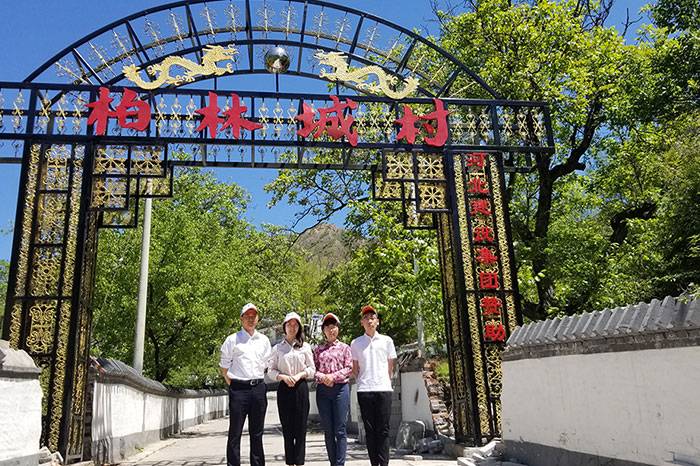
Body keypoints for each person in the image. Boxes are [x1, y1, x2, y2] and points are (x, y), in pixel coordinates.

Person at [220, 303, 272, 466]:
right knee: (235, 432)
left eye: (253, 316)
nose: (250, 319)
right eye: (247, 316)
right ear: (241, 319)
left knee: (257, 433)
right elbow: (224, 366)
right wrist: (233, 385)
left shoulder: (264, 340)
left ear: (257, 319)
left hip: (258, 388)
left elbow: (267, 364)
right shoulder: (232, 340)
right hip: (239, 389)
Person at [350, 305, 397, 466]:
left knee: (383, 429)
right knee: (370, 431)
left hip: (383, 389)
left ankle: (384, 463)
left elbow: (390, 366)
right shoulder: (356, 343)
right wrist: (364, 381)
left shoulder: (387, 341)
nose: (369, 321)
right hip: (365, 390)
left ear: (377, 322)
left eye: (372, 318)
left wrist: (383, 380)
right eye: (366, 318)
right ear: (361, 322)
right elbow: (355, 369)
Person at [268, 311, 315, 466]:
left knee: (300, 428)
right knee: (287, 428)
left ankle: (300, 462)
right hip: (284, 388)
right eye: (289, 324)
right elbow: (270, 370)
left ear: (299, 327)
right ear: (284, 327)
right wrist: (282, 377)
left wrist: (299, 375)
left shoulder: (305, 347)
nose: (292, 327)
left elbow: (311, 369)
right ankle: (289, 462)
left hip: (300, 387)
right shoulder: (277, 348)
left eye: (295, 324)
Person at [313, 313, 353, 466]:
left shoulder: (345, 348)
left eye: (334, 327)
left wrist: (333, 377)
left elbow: (349, 367)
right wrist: (324, 377)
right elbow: (313, 370)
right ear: (324, 330)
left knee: (340, 429)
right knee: (328, 430)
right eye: (328, 327)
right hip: (323, 391)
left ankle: (340, 463)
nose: (331, 330)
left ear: (338, 329)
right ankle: (332, 462)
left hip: (340, 389)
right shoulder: (318, 351)